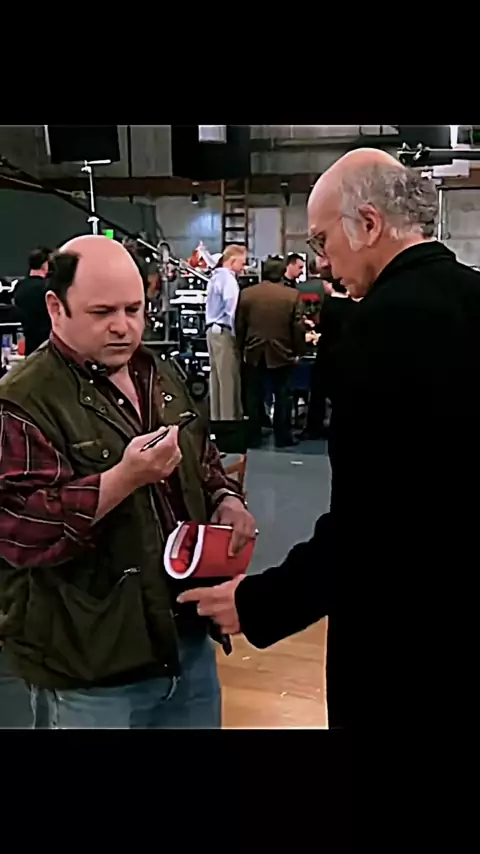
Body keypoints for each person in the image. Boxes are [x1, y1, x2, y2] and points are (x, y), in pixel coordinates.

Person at [177, 147, 480, 730]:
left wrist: (259, 603)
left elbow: (373, 522)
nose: (320, 260)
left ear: (367, 224)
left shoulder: (382, 328)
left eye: (321, 240)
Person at [0, 234, 256, 729]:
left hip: (184, 643)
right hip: (90, 664)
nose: (123, 327)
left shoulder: (157, 372)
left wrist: (226, 497)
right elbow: (20, 531)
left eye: (134, 310)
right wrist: (120, 480)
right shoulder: (23, 401)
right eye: (102, 313)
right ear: (56, 308)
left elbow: (202, 458)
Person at [236, 256, 306, 448]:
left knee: (253, 395)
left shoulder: (247, 294)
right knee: (283, 395)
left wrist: (240, 349)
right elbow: (298, 327)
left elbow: (240, 325)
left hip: (253, 351)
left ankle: (254, 435)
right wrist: (298, 351)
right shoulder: (292, 295)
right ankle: (283, 436)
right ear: (282, 272)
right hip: (282, 351)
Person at [205, 244, 246, 422]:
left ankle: (217, 419)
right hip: (224, 332)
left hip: (212, 331)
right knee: (228, 380)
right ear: (232, 261)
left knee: (216, 380)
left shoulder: (215, 277)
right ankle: (229, 422)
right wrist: (238, 336)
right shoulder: (229, 280)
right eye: (242, 263)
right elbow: (232, 309)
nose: (243, 268)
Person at [13, 246, 52, 355]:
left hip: (29, 346)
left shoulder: (20, 287)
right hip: (47, 347)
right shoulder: (47, 288)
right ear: (45, 265)